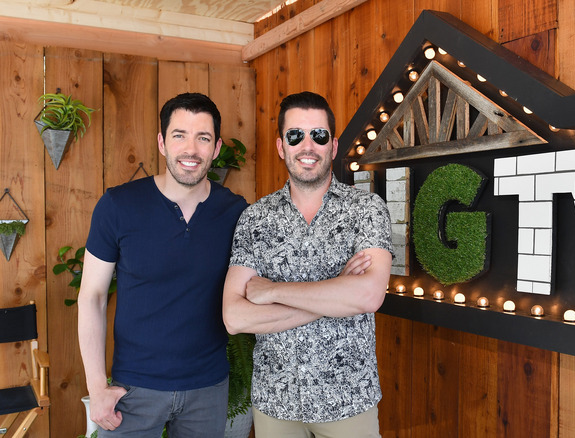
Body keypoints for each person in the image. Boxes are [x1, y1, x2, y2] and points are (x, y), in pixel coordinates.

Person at [78, 92, 249, 437]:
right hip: (133, 391)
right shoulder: (118, 205)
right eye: (179, 135)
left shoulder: (235, 212)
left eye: (203, 138)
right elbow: (92, 296)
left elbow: (253, 282)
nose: (191, 149)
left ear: (216, 149)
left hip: (208, 389)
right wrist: (97, 388)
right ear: (162, 142)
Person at [223, 91, 393, 437]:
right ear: (281, 146)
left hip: (348, 401)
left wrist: (271, 291)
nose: (307, 145)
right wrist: (335, 297)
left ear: (333, 146)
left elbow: (369, 296)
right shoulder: (255, 219)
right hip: (274, 403)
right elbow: (235, 316)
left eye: (319, 135)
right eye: (295, 135)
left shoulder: (366, 209)